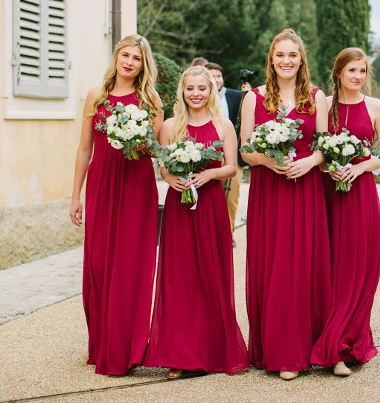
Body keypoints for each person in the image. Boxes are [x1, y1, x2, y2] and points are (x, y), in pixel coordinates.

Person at [144, 66, 248, 379]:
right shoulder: (171, 126)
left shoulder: (223, 124)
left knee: (210, 274)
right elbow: (163, 167)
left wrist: (208, 174)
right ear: (183, 91)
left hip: (211, 205)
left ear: (211, 90)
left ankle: (212, 350)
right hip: (179, 205)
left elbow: (231, 167)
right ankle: (178, 354)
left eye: (202, 88)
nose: (196, 94)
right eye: (190, 88)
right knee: (179, 276)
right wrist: (171, 178)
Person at [240, 28, 332, 381]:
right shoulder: (255, 98)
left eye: (292, 55)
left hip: (306, 189)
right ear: (271, 59)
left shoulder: (317, 98)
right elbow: (246, 150)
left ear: (301, 59)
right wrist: (267, 161)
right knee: (273, 265)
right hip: (270, 192)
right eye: (280, 55)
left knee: (302, 266)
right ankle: (277, 350)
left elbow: (324, 146)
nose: (286, 61)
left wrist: (310, 162)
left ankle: (304, 348)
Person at [69, 34, 163, 375]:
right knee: (98, 264)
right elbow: (84, 149)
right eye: (125, 55)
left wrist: (136, 139)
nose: (129, 62)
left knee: (130, 265)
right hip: (101, 185)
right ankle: (101, 342)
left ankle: (127, 347)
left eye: (136, 58)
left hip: (136, 186)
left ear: (143, 65)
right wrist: (75, 195)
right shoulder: (96, 97)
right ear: (116, 57)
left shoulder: (150, 99)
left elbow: (155, 149)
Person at [310, 47, 380, 377]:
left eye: (362, 71)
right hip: (328, 194)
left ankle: (348, 343)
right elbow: (315, 148)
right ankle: (332, 346)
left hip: (360, 195)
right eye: (351, 71)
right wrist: (330, 168)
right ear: (338, 73)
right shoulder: (324, 106)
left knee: (360, 269)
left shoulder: (376, 107)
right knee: (331, 270)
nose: (357, 76)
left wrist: (358, 169)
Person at [206, 62, 245, 235]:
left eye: (218, 76)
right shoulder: (199, 98)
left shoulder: (235, 95)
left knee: (232, 196)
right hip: (207, 154)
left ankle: (228, 233)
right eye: (212, 76)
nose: (216, 80)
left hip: (232, 155)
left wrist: (247, 94)